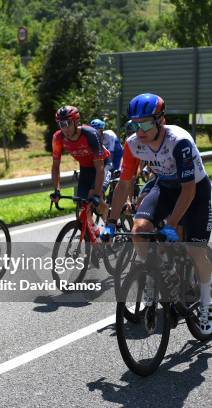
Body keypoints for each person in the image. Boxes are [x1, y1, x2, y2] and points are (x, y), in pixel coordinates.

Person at [101, 93, 211, 335]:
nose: (140, 130)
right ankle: (154, 275)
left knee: (195, 249)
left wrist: (170, 224)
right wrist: (110, 221)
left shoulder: (179, 141)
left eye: (146, 123)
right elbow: (124, 184)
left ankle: (206, 301)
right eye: (135, 124)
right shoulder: (133, 143)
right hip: (165, 186)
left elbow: (189, 190)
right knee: (139, 231)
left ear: (162, 120)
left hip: (195, 191)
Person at [50, 106, 111, 223]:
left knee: (96, 199)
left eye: (68, 123)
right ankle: (93, 235)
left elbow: (100, 168)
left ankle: (110, 227)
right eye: (62, 124)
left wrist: (97, 195)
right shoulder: (58, 138)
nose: (65, 128)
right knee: (83, 206)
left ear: (76, 122)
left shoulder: (91, 134)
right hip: (86, 168)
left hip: (103, 165)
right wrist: (57, 190)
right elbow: (55, 167)